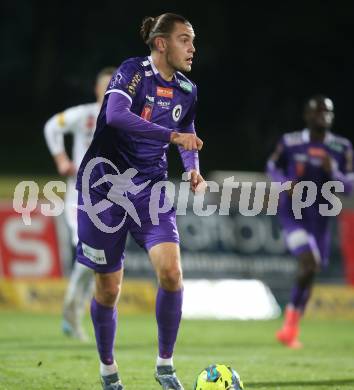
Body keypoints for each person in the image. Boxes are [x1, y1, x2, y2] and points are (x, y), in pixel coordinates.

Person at [75, 13, 205, 390]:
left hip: (150, 190)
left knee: (171, 272)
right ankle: (108, 370)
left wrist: (192, 167)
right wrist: (172, 138)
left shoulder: (187, 89)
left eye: (193, 40)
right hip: (103, 192)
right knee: (108, 289)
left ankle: (165, 366)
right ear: (161, 43)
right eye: (185, 39)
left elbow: (188, 129)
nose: (193, 48)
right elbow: (115, 115)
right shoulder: (134, 71)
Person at [267, 95, 354, 348]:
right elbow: (272, 165)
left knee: (312, 269)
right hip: (293, 214)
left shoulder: (341, 147)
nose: (323, 116)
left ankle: (290, 328)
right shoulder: (291, 142)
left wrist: (333, 173)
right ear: (307, 115)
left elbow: (348, 186)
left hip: (322, 218)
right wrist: (283, 183)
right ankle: (289, 326)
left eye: (328, 112)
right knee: (310, 262)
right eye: (318, 111)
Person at [44, 67, 115, 341]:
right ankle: (71, 316)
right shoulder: (85, 115)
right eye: (107, 86)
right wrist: (61, 159)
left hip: (109, 203)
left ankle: (73, 317)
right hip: (79, 199)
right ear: (97, 89)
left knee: (96, 264)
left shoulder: (126, 120)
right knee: (88, 257)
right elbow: (52, 126)